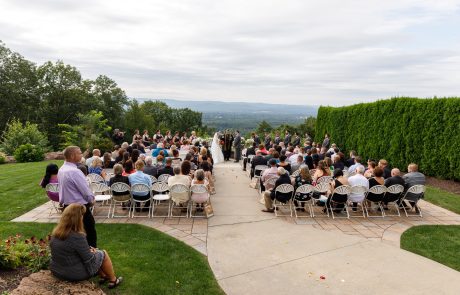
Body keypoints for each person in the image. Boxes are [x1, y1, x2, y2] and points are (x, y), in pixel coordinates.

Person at [49, 204, 122, 287]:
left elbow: (71, 252)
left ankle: (103, 276)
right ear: (78, 219)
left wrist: (90, 251)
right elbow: (89, 260)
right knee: (103, 253)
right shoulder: (77, 236)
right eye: (82, 215)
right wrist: (93, 252)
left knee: (95, 252)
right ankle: (113, 280)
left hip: (57, 271)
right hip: (73, 274)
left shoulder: (56, 233)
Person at [58, 146, 97, 247]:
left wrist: (61, 202)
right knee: (89, 235)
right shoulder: (75, 171)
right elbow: (85, 191)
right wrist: (91, 200)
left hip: (67, 207)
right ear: (72, 155)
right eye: (79, 153)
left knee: (72, 235)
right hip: (79, 210)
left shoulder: (62, 169)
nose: (81, 155)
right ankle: (91, 258)